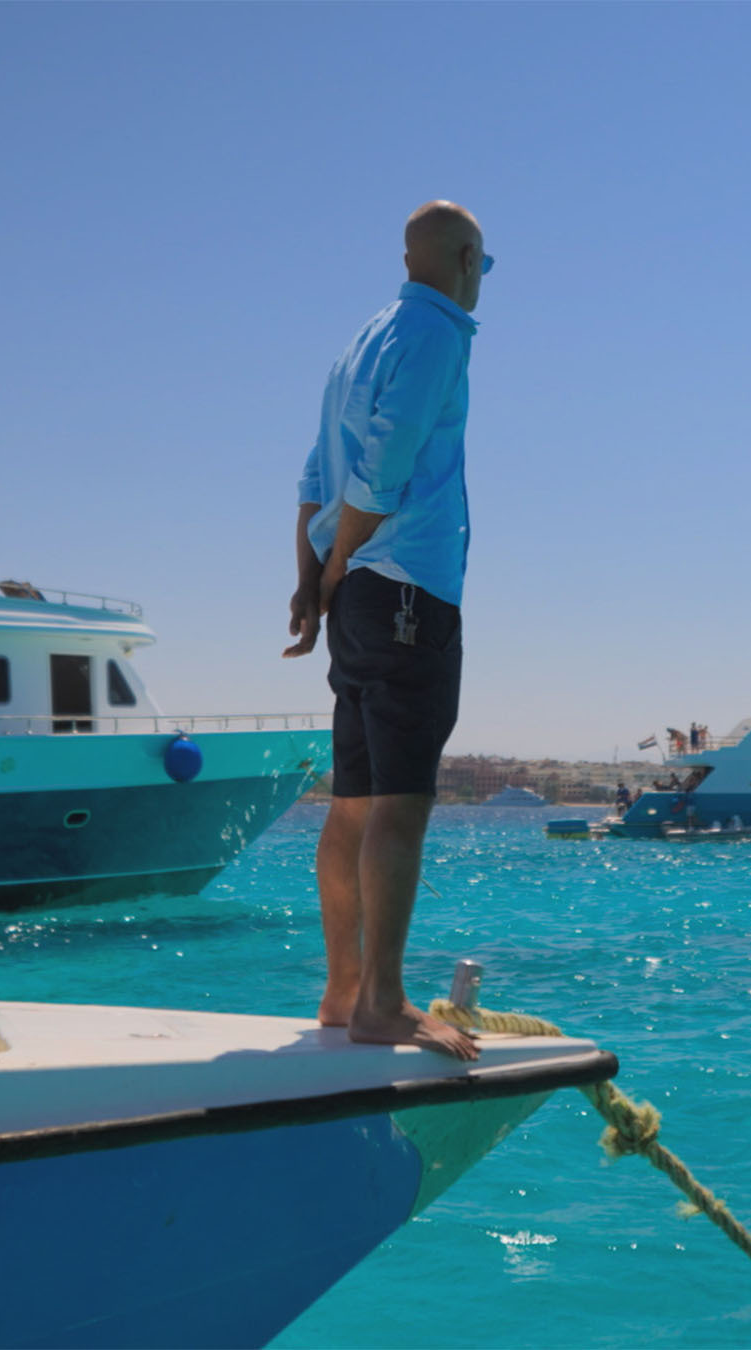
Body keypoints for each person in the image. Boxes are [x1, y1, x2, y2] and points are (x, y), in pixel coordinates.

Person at [282, 201, 490, 1061]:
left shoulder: (362, 340)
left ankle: (342, 994)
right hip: (404, 590)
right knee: (399, 808)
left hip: (362, 599)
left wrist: (312, 579)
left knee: (353, 805)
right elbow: (385, 464)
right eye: (484, 265)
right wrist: (335, 568)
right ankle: (383, 1003)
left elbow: (313, 476)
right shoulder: (436, 331)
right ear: (466, 259)